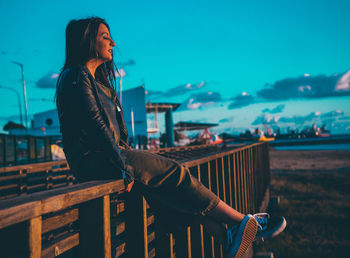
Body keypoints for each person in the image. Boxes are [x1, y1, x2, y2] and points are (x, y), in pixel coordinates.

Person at [56, 17, 286, 258]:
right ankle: (241, 221)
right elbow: (96, 126)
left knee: (170, 196)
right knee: (176, 174)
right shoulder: (75, 75)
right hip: (95, 161)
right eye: (105, 36)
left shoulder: (102, 85)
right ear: (85, 40)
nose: (112, 42)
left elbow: (117, 135)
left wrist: (125, 160)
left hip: (112, 157)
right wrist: (123, 166)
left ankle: (226, 237)